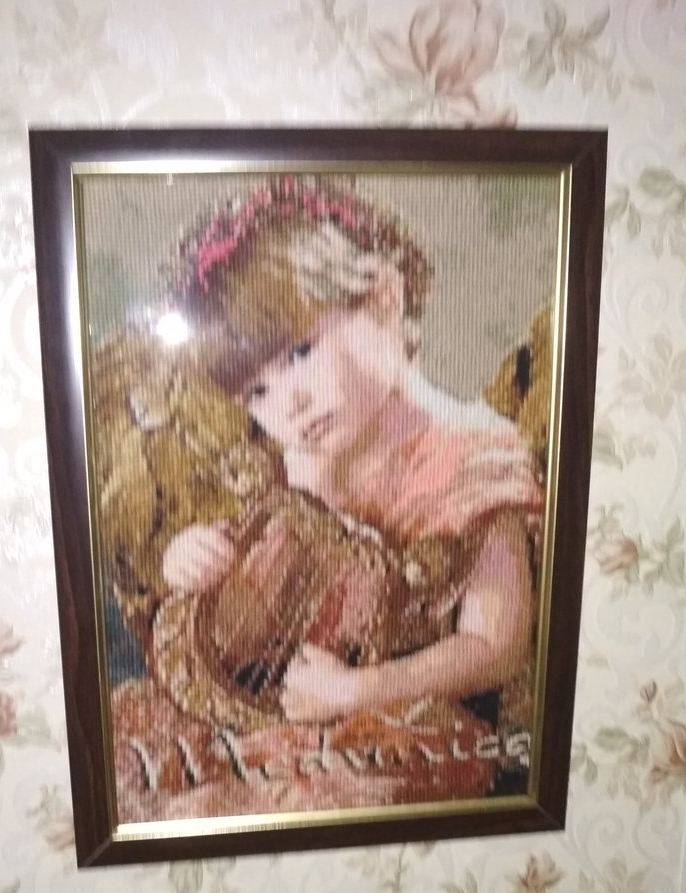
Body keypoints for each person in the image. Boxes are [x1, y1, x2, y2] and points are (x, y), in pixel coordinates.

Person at [160, 179, 543, 737]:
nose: (290, 403)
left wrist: (357, 691)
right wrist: (203, 568)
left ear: (384, 300)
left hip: (426, 726)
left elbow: (495, 647)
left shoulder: (472, 461)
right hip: (311, 714)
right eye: (257, 392)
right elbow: (262, 621)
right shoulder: (304, 469)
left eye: (301, 352)